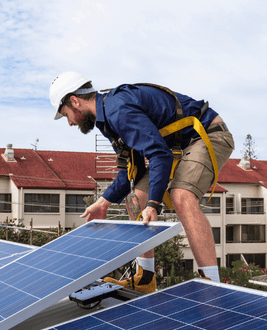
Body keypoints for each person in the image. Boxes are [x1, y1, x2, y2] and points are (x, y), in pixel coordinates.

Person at [50, 71, 234, 293]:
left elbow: (159, 155)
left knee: (181, 196)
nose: (70, 122)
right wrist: (103, 202)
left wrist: (153, 205)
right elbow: (131, 171)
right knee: (137, 197)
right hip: (176, 147)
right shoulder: (106, 119)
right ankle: (145, 278)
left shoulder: (118, 110)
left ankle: (212, 286)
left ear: (74, 101)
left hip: (207, 134)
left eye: (66, 114)